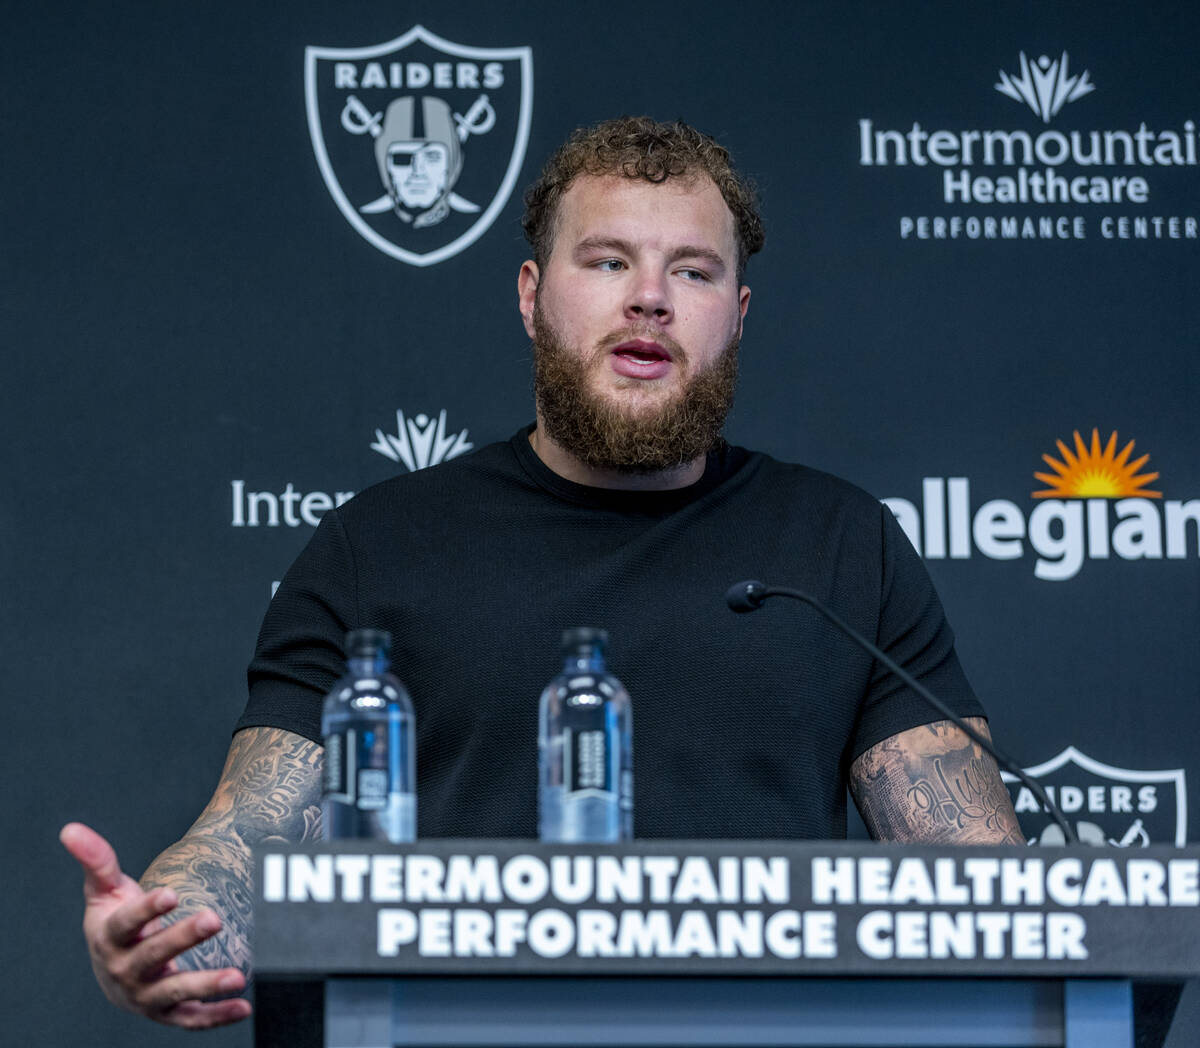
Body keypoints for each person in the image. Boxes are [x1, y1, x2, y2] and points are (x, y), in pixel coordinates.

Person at [61, 116, 1023, 1031]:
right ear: (531, 295)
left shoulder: (840, 543)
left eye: (691, 271)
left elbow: (979, 889)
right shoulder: (380, 544)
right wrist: (162, 934)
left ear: (735, 316)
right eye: (608, 261)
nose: (649, 297)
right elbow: (252, 838)